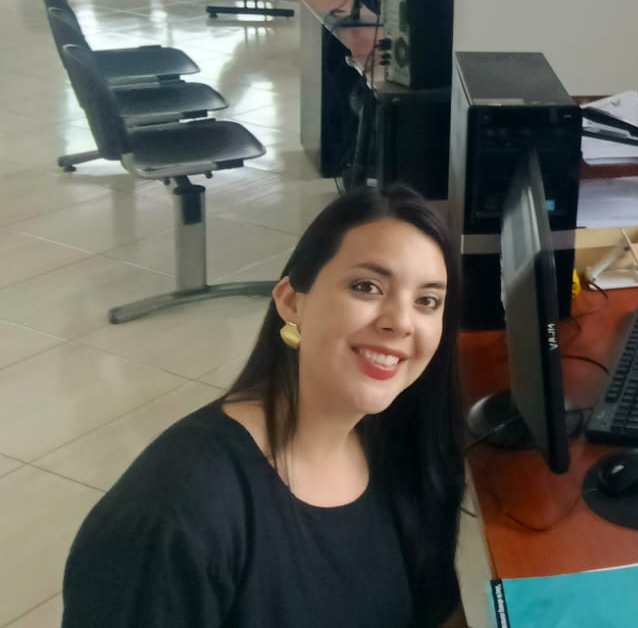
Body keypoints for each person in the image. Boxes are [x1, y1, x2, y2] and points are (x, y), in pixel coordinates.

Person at [62, 186, 468, 628]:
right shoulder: (176, 512)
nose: (401, 322)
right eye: (367, 287)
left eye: (427, 301)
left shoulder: (398, 444)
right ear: (291, 301)